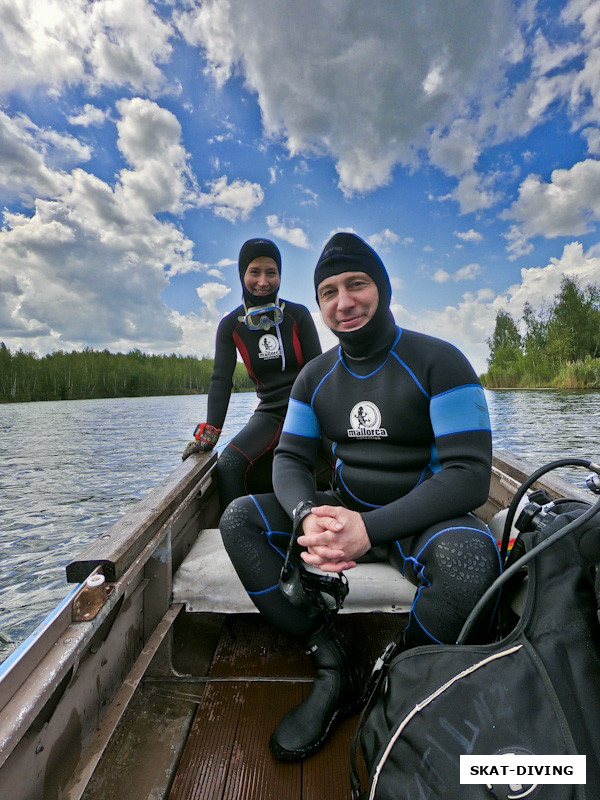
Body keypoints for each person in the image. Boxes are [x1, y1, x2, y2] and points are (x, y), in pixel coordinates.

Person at [220, 231, 502, 762]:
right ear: (320, 302)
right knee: (238, 519)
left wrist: (368, 530)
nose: (343, 302)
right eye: (328, 291)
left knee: (471, 557)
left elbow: (469, 476)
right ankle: (333, 664)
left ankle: (403, 680)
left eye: (357, 284)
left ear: (383, 287)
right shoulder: (314, 377)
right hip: (342, 508)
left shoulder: (441, 362)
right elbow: (290, 460)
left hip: (419, 518)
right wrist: (308, 516)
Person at [182, 238, 324, 509]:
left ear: (280, 275)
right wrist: (209, 435)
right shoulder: (230, 326)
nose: (263, 281)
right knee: (230, 465)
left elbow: (318, 370)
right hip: (270, 411)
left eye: (271, 272)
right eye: (254, 272)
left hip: (310, 408)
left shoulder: (298, 315)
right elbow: (221, 380)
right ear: (242, 275)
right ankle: (235, 531)